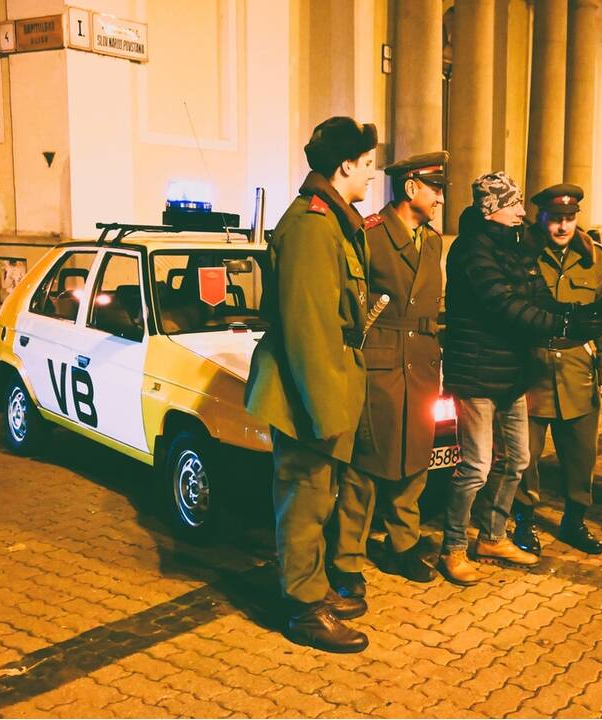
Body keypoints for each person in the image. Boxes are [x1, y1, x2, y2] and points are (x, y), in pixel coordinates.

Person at [244, 116, 377, 653]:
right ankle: (302, 609)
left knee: (319, 497)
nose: (372, 176)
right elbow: (308, 326)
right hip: (306, 389)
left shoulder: (334, 220)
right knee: (304, 499)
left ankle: (314, 587)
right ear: (344, 165)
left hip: (329, 380)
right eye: (367, 165)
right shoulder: (311, 224)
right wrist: (325, 410)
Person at [439, 171, 602, 585]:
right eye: (513, 205)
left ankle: (493, 536)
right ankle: (453, 546)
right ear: (492, 209)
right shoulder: (472, 249)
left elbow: (535, 296)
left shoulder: (513, 245)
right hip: (479, 373)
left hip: (512, 372)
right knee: (477, 466)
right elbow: (505, 305)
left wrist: (575, 317)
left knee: (517, 460)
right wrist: (565, 321)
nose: (521, 212)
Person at [329, 152, 448, 600]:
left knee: (414, 459)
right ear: (412, 188)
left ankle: (403, 543)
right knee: (366, 465)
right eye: (435, 189)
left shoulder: (431, 241)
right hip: (379, 362)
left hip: (421, 361)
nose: (439, 199)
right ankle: (346, 560)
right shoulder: (369, 235)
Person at [511, 185, 602, 557]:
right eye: (555, 219)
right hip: (532, 369)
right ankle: (525, 519)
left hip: (578, 370)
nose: (562, 227)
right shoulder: (522, 256)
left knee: (581, 456)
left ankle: (575, 520)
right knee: (524, 455)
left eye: (569, 219)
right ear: (541, 218)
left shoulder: (595, 261)